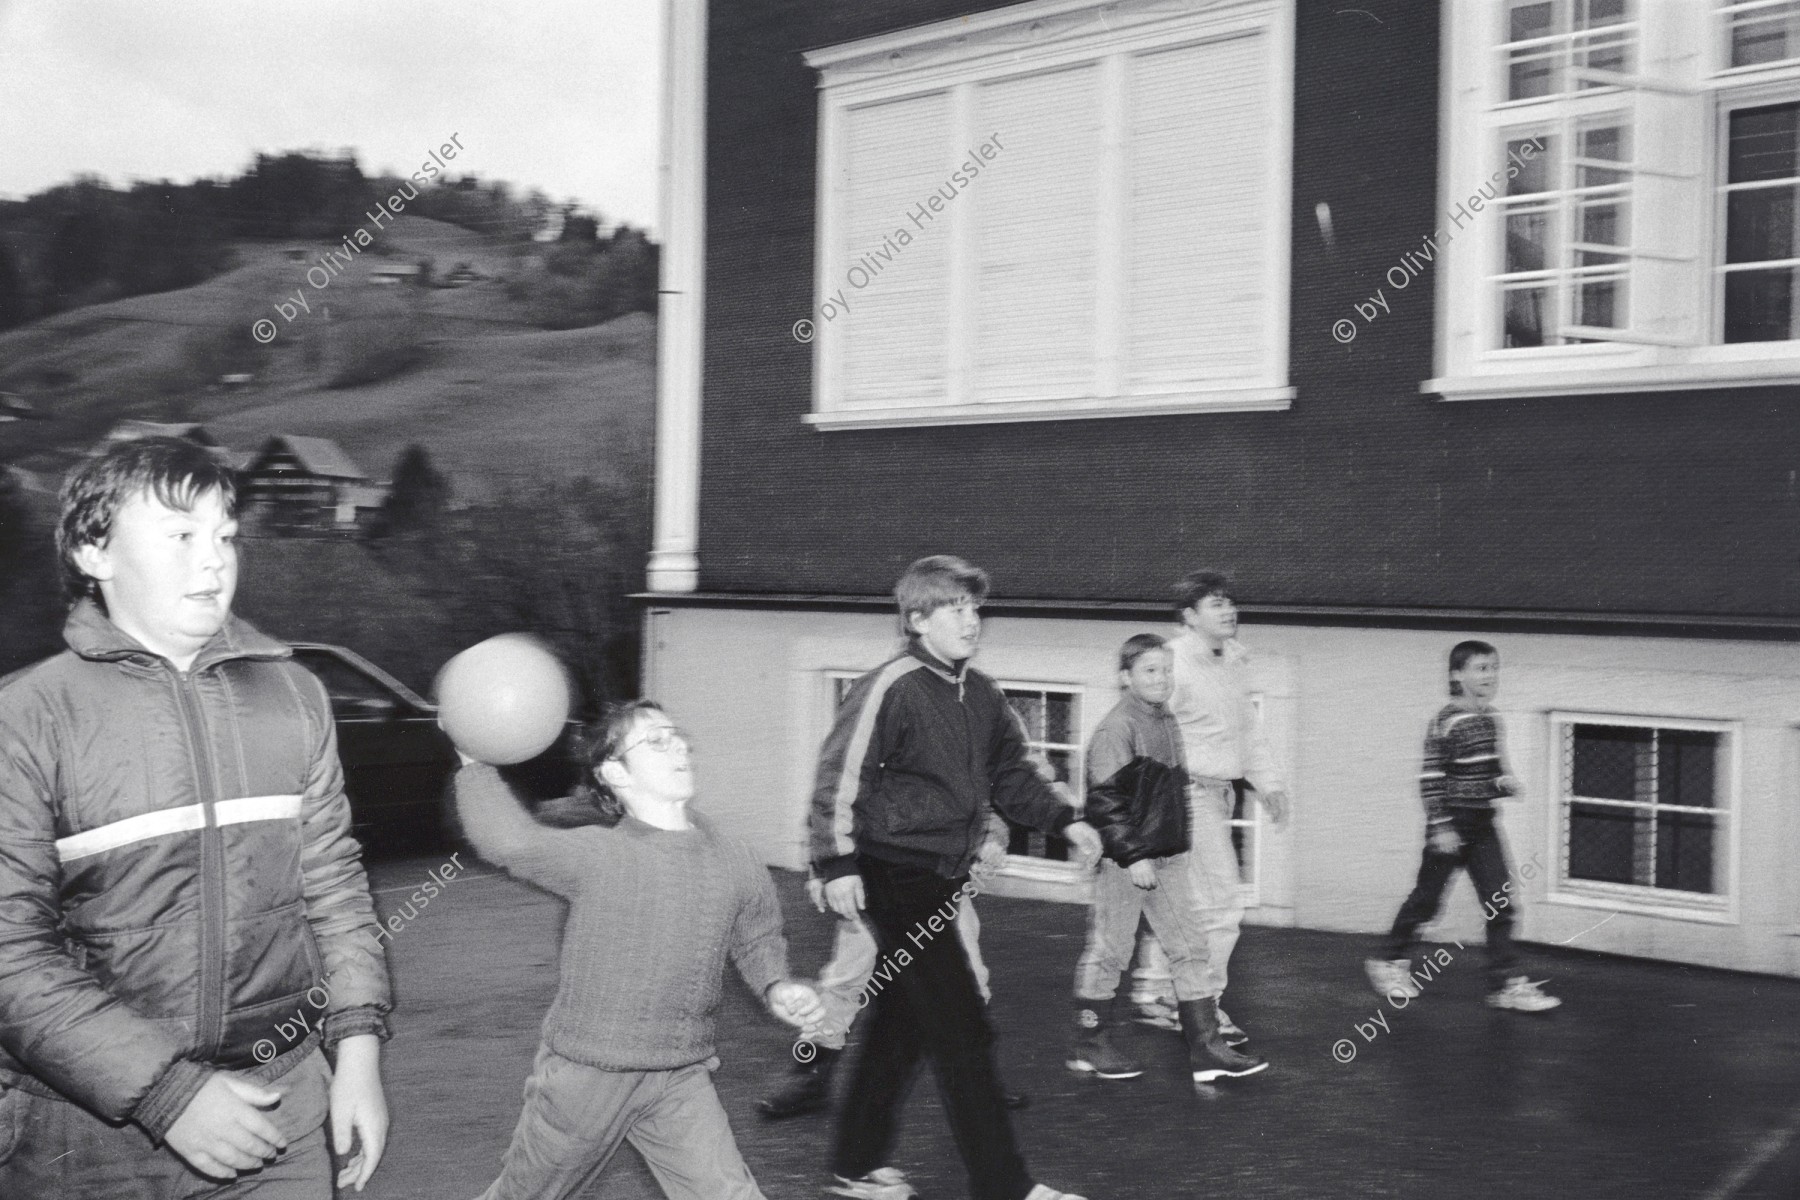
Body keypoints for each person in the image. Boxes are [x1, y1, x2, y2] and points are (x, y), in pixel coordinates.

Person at [0, 436, 392, 1197]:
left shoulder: (297, 698)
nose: (214, 561)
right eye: (181, 535)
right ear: (94, 551)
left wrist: (358, 1054)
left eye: (224, 535)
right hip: (83, 1135)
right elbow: (9, 949)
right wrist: (165, 1092)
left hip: (280, 1103)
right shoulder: (25, 718)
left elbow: (336, 893)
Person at [451, 699, 826, 1200]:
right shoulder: (599, 854)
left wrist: (776, 984)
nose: (677, 748)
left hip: (679, 1075)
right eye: (655, 741)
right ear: (615, 773)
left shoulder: (736, 858)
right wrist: (474, 765)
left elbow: (756, 934)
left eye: (677, 736)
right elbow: (510, 842)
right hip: (588, 1077)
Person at [809, 554, 1100, 1200]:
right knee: (961, 1026)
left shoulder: (982, 694)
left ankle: (854, 1164)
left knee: (905, 1022)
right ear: (917, 620)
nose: (972, 619)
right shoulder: (892, 685)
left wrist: (1067, 821)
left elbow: (1014, 774)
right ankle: (1005, 1185)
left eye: (975, 607)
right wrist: (836, 862)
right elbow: (839, 774)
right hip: (892, 872)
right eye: (954, 607)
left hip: (941, 877)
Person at [1070, 634, 1267, 1086]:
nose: (1161, 679)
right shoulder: (1116, 729)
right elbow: (1104, 803)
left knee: (1191, 948)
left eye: (1166, 669)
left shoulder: (1167, 720)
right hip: (1129, 865)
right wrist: (1133, 855)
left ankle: (1207, 1049)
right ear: (1126, 678)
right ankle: (1089, 1044)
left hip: (1169, 860)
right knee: (1110, 953)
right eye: (1150, 671)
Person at [757, 824, 1025, 1119]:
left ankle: (979, 1083)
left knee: (968, 979)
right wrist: (823, 870)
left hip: (941, 882)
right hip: (872, 882)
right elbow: (830, 808)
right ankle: (811, 1077)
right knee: (845, 981)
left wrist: (992, 838)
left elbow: (984, 796)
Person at [1129, 572, 1290, 1054]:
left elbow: (1247, 731)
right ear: (1189, 616)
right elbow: (1145, 719)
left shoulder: (1232, 662)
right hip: (1186, 793)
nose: (1228, 611)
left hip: (1218, 793)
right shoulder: (1174, 662)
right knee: (1222, 904)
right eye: (1215, 604)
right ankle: (1201, 1004)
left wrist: (1270, 784)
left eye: (1229, 603)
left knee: (1183, 900)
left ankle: (1155, 991)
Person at [1364, 641, 1561, 1012]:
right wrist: (1441, 827)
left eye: (1494, 668)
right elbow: (1431, 778)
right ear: (1458, 675)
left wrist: (1505, 784)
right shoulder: (1445, 721)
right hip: (1450, 824)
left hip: (1483, 825)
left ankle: (1506, 985)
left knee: (1500, 903)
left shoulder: (1491, 719)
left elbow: (1492, 773)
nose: (1490, 676)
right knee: (1427, 902)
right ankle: (1388, 962)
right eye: (1481, 668)